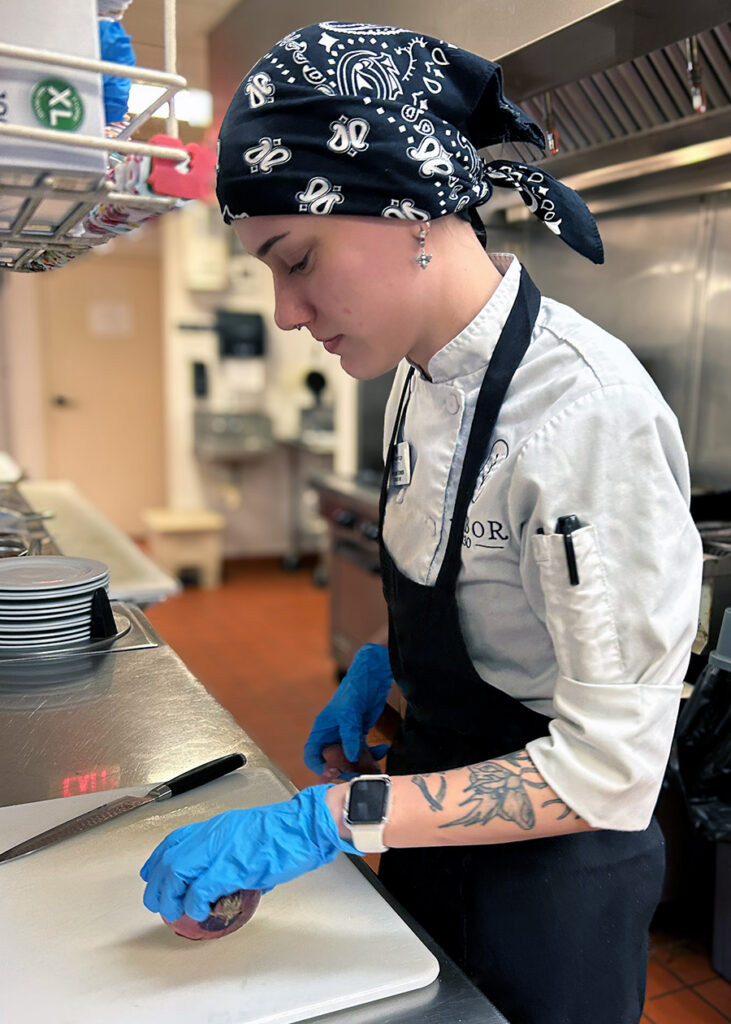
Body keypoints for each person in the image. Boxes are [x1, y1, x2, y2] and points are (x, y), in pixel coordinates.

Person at [140, 22, 703, 1024]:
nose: (286, 311)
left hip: (552, 889)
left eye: (295, 259)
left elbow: (610, 773)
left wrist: (325, 819)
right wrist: (389, 666)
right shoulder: (418, 375)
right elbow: (481, 587)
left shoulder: (585, 416)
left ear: (406, 209)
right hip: (427, 833)